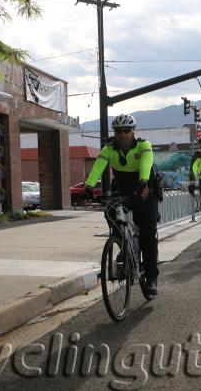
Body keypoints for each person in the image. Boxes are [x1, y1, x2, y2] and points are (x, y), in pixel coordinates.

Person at [82, 114, 160, 295]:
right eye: (118, 131)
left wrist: (143, 181)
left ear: (134, 131)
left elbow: (146, 164)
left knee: (148, 234)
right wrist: (88, 187)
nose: (122, 135)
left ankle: (150, 277)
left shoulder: (143, 145)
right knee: (110, 211)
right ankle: (124, 245)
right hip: (124, 191)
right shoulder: (109, 149)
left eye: (127, 131)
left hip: (145, 189)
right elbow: (98, 168)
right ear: (114, 132)